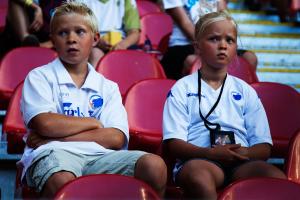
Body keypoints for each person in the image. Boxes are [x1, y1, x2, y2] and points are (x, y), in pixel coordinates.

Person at [19, 2, 166, 198]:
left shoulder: (108, 87)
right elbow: (45, 124)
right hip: (54, 154)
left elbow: (116, 137)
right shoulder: (39, 77)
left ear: (95, 38)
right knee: (62, 180)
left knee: (154, 166)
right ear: (53, 39)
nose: (71, 39)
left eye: (80, 32)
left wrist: (58, 136)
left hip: (100, 156)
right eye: (63, 33)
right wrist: (94, 123)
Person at [162, 10, 286, 199]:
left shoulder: (246, 90)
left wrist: (243, 152)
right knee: (199, 178)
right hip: (199, 159)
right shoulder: (181, 88)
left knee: (276, 178)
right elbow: (174, 144)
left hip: (242, 162)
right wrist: (210, 153)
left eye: (230, 40)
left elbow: (264, 147)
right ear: (197, 47)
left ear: (236, 48)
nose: (222, 46)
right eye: (214, 39)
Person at [160, 0, 258, 80]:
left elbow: (225, 19)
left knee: (250, 58)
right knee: (193, 61)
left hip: (216, 41)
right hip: (184, 45)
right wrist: (207, 44)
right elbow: (185, 24)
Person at [74, 0, 141, 66]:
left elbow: (134, 33)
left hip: (121, 43)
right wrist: (97, 42)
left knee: (136, 58)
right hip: (92, 43)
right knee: (96, 54)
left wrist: (122, 45)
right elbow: (76, 31)